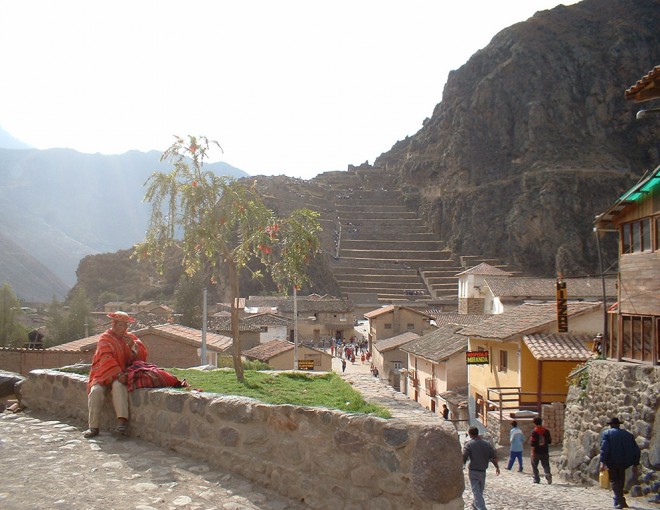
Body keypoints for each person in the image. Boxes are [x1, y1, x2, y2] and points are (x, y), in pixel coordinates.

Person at [83, 311, 148, 438]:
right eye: (120, 325)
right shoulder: (105, 339)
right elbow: (106, 358)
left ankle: (122, 422)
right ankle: (93, 427)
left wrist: (132, 345)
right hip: (103, 373)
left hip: (121, 374)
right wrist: (118, 373)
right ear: (113, 325)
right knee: (95, 391)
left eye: (125, 326)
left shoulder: (130, 338)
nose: (124, 329)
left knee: (119, 386)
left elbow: (141, 357)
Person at [600, 417, 641, 509]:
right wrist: (635, 463)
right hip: (623, 462)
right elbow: (636, 450)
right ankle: (617, 500)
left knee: (614, 481)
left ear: (610, 425)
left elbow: (604, 449)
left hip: (612, 461)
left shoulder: (607, 434)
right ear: (619, 425)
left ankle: (621, 501)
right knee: (621, 480)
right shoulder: (628, 435)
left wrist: (602, 462)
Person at [463, 426, 500, 510]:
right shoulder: (486, 444)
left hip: (473, 470)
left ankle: (481, 508)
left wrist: (461, 466)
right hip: (483, 471)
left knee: (476, 491)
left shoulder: (469, 444)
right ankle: (475, 505)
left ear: (470, 434)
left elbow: (464, 457)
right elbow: (494, 457)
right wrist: (497, 467)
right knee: (479, 490)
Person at [530, 417, 552, 484]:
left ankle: (536, 478)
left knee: (534, 465)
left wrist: (532, 453)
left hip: (536, 451)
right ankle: (547, 473)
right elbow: (549, 441)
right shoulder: (547, 431)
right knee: (546, 464)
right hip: (545, 451)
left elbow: (532, 443)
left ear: (534, 423)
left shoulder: (534, 432)